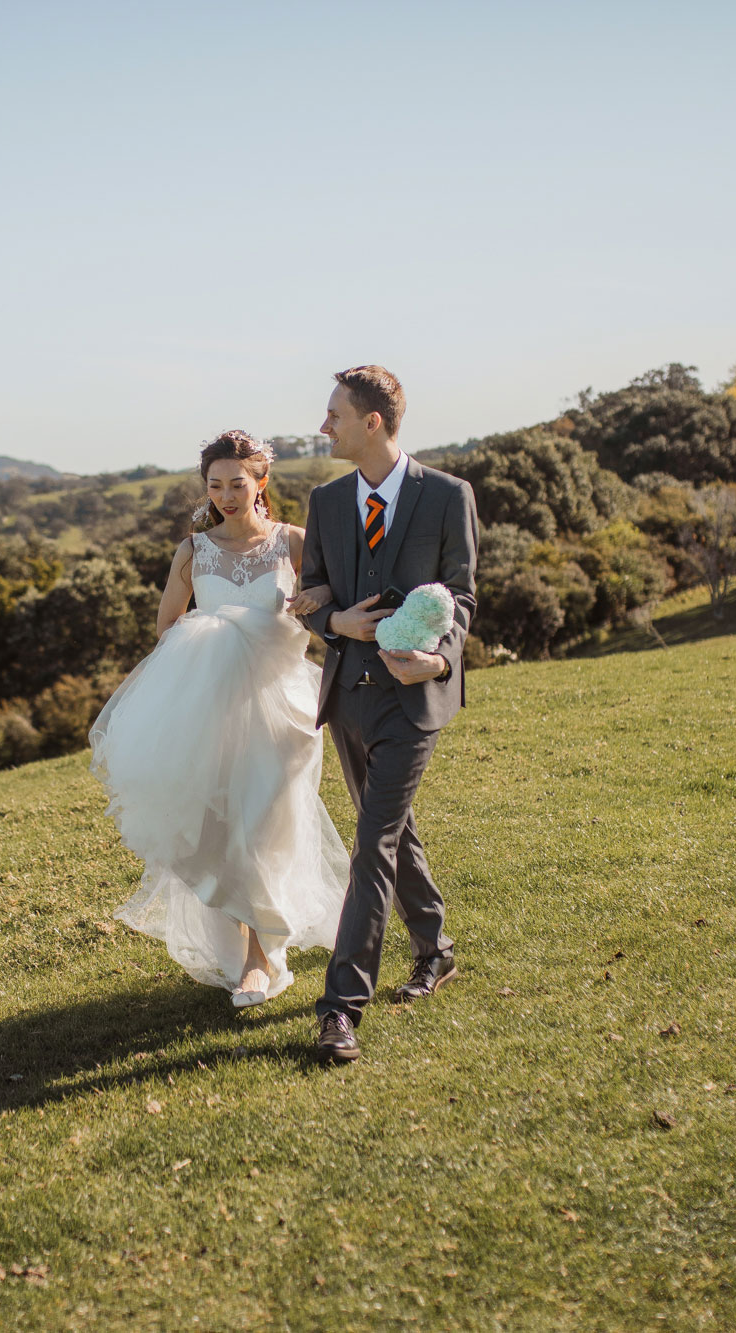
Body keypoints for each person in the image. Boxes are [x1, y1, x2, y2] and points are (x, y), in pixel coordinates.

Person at [89, 431, 349, 1007]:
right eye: (215, 485)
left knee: (263, 829)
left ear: (261, 482)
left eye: (237, 482)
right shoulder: (193, 551)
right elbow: (167, 629)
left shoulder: (295, 543)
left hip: (281, 709)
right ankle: (241, 950)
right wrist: (217, 634)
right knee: (219, 833)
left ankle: (260, 959)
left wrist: (312, 600)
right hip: (209, 713)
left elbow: (326, 606)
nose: (227, 495)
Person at [290, 366, 478, 1064]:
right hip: (348, 696)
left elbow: (460, 596)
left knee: (371, 844)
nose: (323, 425)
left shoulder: (447, 496)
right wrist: (339, 619)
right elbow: (315, 592)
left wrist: (437, 658)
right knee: (391, 829)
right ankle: (435, 948)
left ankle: (341, 1007)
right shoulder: (328, 499)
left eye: (333, 413)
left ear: (372, 422)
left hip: (412, 696)